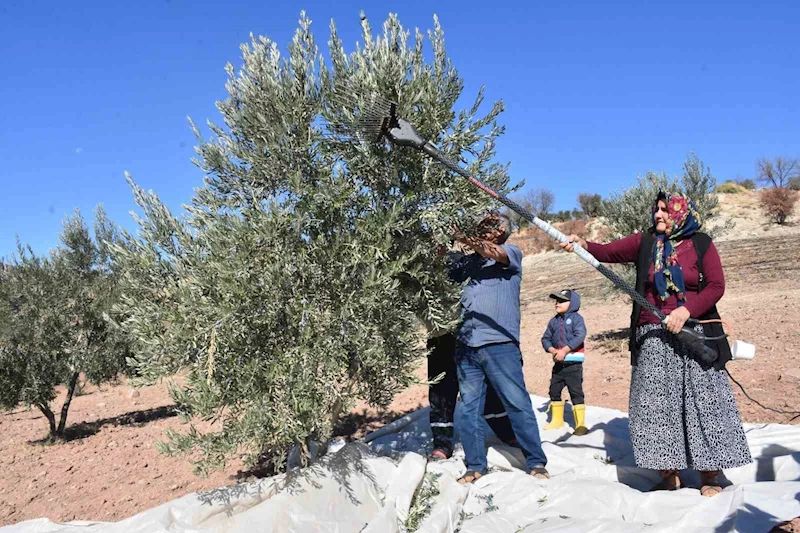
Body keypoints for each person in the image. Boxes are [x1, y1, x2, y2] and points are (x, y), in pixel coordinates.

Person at [559, 192, 752, 496]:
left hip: (695, 331)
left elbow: (716, 285)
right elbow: (606, 252)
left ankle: (709, 475)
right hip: (653, 334)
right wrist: (582, 245)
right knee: (657, 406)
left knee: (704, 402)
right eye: (656, 210)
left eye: (665, 210)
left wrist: (686, 309)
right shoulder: (646, 242)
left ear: (680, 213)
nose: (659, 215)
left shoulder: (700, 243)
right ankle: (669, 472)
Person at [451, 213, 549, 483]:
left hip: (500, 344)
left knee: (517, 403)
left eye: (491, 222)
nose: (483, 223)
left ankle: (536, 463)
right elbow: (445, 272)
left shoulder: (511, 254)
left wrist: (463, 237)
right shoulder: (471, 261)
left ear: (501, 231)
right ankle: (475, 466)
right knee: (468, 410)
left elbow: (492, 252)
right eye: (481, 219)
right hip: (466, 346)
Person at [426, 332, 518, 461]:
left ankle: (506, 433)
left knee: (487, 387)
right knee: (441, 391)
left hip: (474, 333)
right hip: (441, 334)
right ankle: (442, 445)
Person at [541, 288, 588, 435]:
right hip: (558, 364)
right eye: (556, 300)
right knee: (554, 391)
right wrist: (553, 350)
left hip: (574, 364)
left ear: (572, 303)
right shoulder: (553, 321)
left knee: (576, 392)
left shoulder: (576, 319)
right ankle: (557, 420)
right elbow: (545, 338)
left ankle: (580, 424)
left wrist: (565, 350)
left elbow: (580, 335)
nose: (557, 303)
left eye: (562, 300)